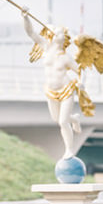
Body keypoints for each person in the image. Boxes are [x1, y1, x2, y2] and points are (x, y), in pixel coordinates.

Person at [21, 15, 87, 159]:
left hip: (66, 90)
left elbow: (81, 70)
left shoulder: (66, 58)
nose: (56, 33)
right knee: (57, 120)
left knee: (63, 122)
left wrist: (81, 82)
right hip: (50, 91)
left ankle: (69, 149)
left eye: (59, 32)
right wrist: (25, 17)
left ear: (64, 39)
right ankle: (74, 119)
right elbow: (31, 33)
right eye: (55, 32)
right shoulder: (45, 47)